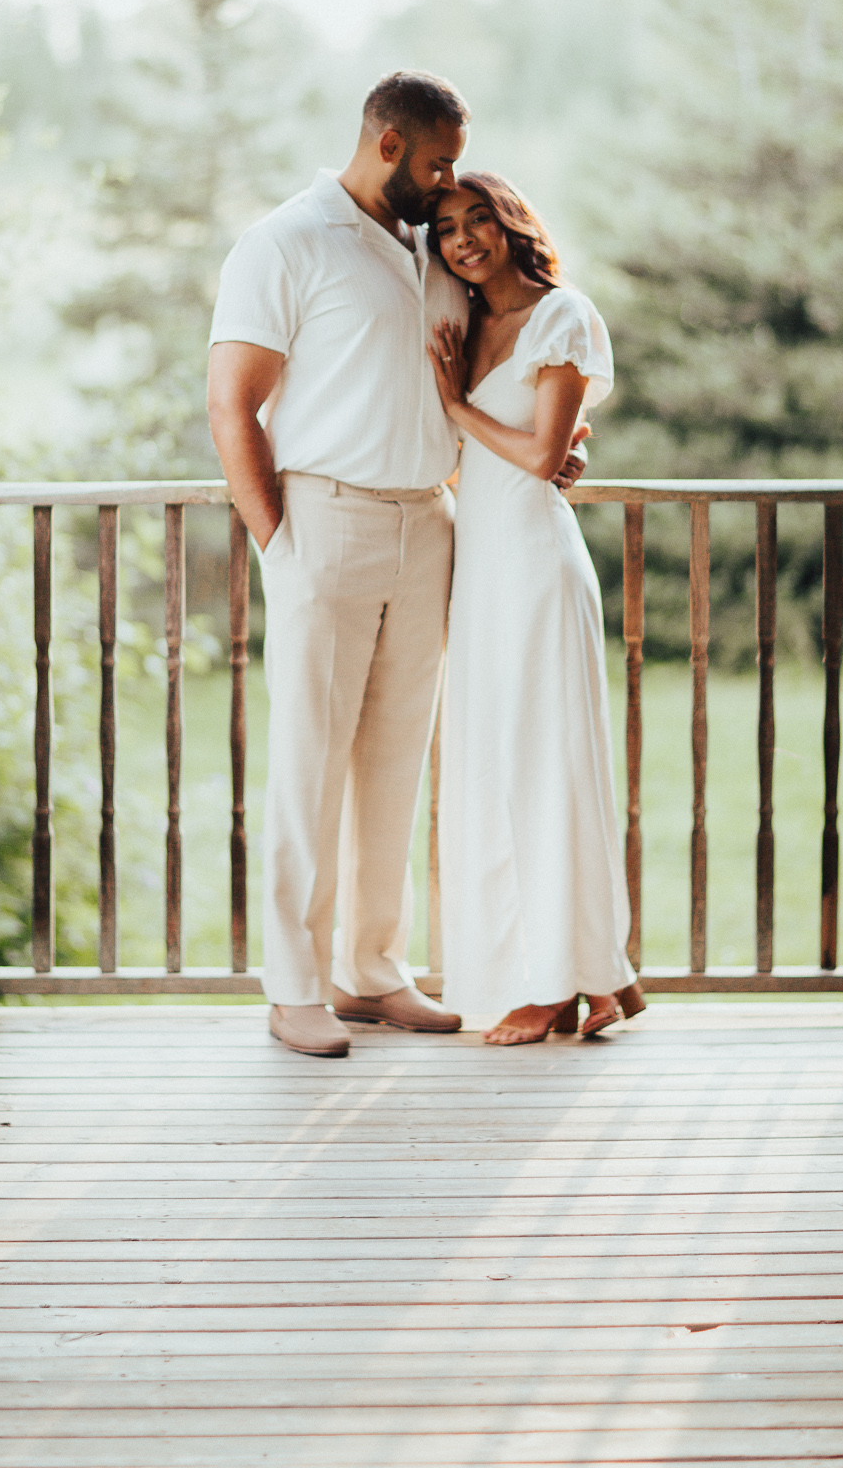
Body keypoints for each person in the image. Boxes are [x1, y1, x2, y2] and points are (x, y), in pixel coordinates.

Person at [207, 75, 585, 1057]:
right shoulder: (283, 242)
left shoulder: (431, 250)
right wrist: (278, 538)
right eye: (436, 162)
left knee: (391, 762)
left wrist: (562, 443)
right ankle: (294, 986)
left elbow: (511, 350)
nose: (448, 180)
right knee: (308, 760)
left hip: (432, 522)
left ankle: (369, 970)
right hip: (324, 523)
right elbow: (230, 404)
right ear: (386, 144)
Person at [426, 171, 645, 1045]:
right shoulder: (464, 325)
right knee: (494, 771)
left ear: (513, 224)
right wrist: (457, 419)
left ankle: (557, 981)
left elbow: (543, 451)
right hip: (478, 571)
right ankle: (597, 977)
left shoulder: (562, 315)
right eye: (445, 228)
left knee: (546, 770)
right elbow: (479, 460)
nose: (464, 239)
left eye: (479, 219)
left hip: (534, 568)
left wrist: (452, 405)